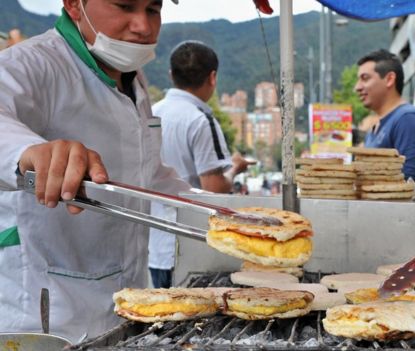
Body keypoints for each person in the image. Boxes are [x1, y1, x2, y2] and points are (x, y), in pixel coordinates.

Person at [0, 0, 189, 341]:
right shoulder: (31, 64)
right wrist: (31, 151)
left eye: (153, 9)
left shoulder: (134, 81)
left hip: (123, 303)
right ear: (74, 4)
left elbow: (147, 173)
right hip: (46, 313)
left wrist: (225, 211)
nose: (143, 26)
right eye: (125, 6)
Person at [148, 41, 249, 288]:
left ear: (172, 75)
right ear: (212, 77)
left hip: (156, 246)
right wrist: (236, 168)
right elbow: (213, 188)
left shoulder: (151, 112)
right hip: (190, 247)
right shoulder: (200, 119)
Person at [355, 49, 415, 190]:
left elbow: (411, 183)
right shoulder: (374, 129)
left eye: (365, 78)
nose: (357, 87)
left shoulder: (408, 119)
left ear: (389, 79)